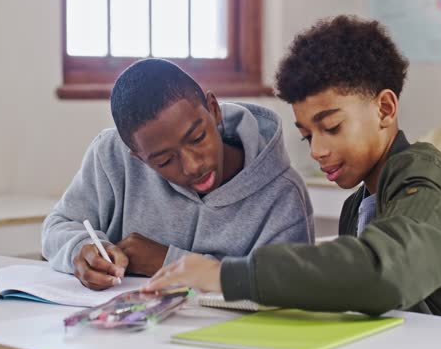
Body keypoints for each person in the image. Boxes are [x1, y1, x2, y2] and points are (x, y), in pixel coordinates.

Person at [145, 15, 441, 327]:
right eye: (307, 135)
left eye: (331, 127)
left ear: (385, 109)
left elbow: (381, 273)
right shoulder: (358, 205)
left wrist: (224, 275)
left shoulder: (426, 182)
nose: (318, 151)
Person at [42, 59, 314, 290]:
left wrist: (168, 261)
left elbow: (287, 288)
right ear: (138, 157)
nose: (193, 165)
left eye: (197, 138)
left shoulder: (283, 193)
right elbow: (58, 225)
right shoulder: (111, 156)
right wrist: (82, 249)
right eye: (165, 160)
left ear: (214, 109)